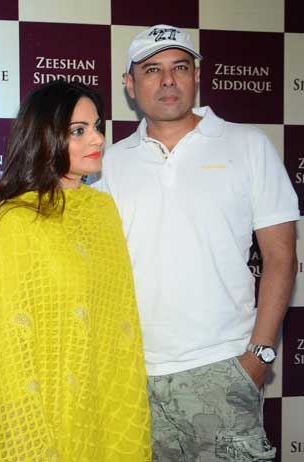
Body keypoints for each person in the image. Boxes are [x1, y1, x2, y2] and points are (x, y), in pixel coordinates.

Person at [96, 24, 297, 461]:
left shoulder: (249, 145)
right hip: (131, 375)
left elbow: (281, 258)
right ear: (130, 84)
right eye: (152, 70)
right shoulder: (108, 164)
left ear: (198, 75)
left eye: (180, 67)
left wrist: (258, 357)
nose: (168, 80)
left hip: (223, 368)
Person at [0, 80, 152, 461]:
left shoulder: (102, 211)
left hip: (104, 408)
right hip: (43, 413)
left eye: (97, 126)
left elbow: (119, 325)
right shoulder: (15, 221)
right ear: (44, 137)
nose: (97, 139)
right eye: (78, 131)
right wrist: (30, 441)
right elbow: (8, 349)